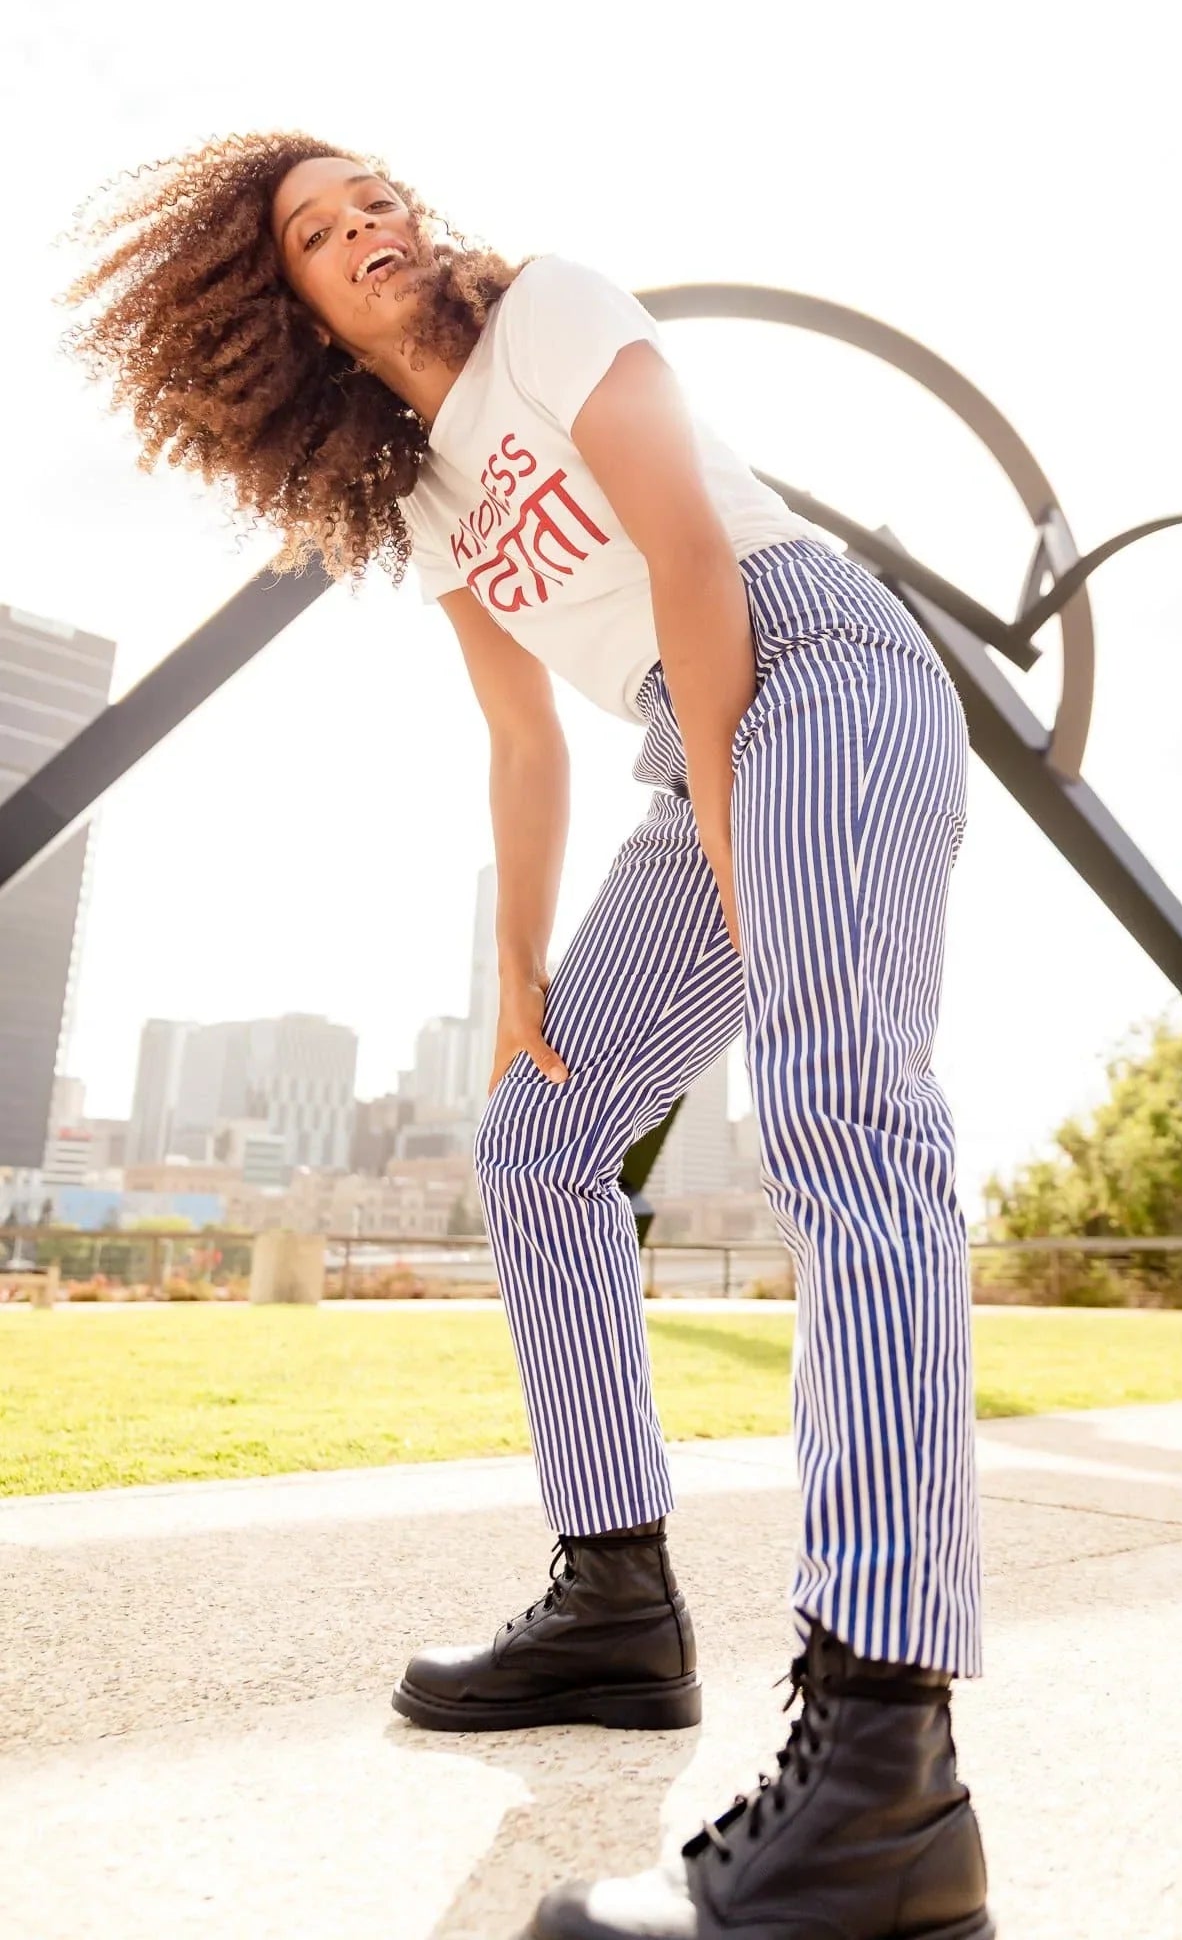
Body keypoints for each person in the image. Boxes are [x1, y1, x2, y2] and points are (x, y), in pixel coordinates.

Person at [62, 131, 992, 1940]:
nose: (367, 226)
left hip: (815, 670)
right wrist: (516, 979)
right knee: (537, 1140)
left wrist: (730, 825)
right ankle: (614, 1601)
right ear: (286, 313)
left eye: (375, 198)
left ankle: (885, 1760)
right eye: (318, 232)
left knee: (842, 1122)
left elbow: (693, 552)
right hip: (693, 734)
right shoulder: (425, 492)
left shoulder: (550, 309)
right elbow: (521, 736)